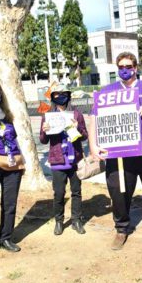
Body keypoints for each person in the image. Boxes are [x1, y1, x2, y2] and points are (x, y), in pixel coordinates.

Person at [89, 52, 142, 250]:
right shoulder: (107, 91)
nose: (124, 70)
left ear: (135, 68)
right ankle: (121, 229)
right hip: (120, 154)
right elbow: (94, 117)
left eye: (128, 66)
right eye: (120, 67)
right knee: (119, 192)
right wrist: (93, 146)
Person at [40, 84, 88, 236]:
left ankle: (76, 220)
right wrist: (44, 130)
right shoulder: (47, 116)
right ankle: (59, 221)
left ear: (68, 95)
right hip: (57, 160)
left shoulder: (76, 114)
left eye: (63, 93)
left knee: (76, 192)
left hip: (75, 160)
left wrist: (78, 128)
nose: (60, 96)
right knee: (59, 193)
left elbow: (85, 136)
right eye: (56, 94)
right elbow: (43, 140)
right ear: (52, 97)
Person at [0, 86, 25, 252]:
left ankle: (6, 238)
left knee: (9, 204)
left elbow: (13, 141)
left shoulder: (6, 116)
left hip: (12, 166)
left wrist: (22, 161)